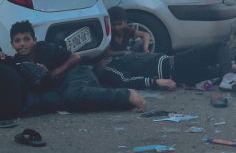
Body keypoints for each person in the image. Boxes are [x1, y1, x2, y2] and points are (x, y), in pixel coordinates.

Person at [4, 21, 146, 113]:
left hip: (78, 73)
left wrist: (51, 74)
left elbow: (76, 58)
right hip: (62, 87)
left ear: (34, 40)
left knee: (74, 95)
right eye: (17, 41)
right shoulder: (17, 63)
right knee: (63, 102)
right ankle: (121, 101)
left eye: (26, 39)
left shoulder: (44, 48)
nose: (22, 44)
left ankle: (127, 95)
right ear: (12, 44)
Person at [96, 43, 232, 88]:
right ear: (102, 64)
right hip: (175, 65)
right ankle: (229, 78)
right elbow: (127, 81)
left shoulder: (119, 61)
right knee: (220, 46)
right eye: (104, 60)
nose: (106, 59)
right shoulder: (110, 68)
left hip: (178, 70)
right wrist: (157, 82)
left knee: (217, 70)